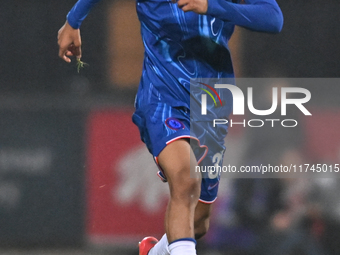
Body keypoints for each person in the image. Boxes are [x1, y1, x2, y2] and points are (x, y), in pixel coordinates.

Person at [58, 0, 283, 254]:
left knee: (199, 221)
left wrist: (210, 6)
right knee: (186, 180)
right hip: (162, 96)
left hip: (212, 102)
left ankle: (155, 252)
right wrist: (73, 21)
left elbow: (273, 18)